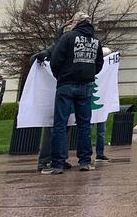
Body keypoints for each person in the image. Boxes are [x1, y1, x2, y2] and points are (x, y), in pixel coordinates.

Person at [43, 12, 104, 174]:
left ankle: (58, 162)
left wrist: (61, 76)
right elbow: (99, 64)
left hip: (66, 84)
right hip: (86, 85)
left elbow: (56, 60)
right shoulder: (96, 41)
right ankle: (84, 161)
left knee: (60, 124)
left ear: (76, 22)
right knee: (84, 125)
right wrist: (89, 74)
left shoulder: (68, 37)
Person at [33, 21, 74, 172]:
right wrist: (42, 56)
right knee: (52, 127)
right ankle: (44, 160)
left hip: (66, 89)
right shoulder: (55, 47)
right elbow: (36, 60)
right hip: (55, 91)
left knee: (67, 126)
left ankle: (61, 157)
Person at [95, 46, 112, 162]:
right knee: (90, 130)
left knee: (101, 131)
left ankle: (100, 153)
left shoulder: (109, 69)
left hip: (103, 103)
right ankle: (86, 154)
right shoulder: (94, 66)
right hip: (93, 102)